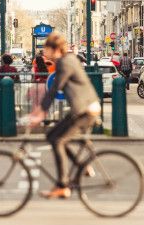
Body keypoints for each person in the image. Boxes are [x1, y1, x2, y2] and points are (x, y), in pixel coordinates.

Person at [28, 33, 101, 200]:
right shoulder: (67, 60)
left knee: (58, 140)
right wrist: (39, 111)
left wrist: (40, 113)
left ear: (54, 49)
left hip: (86, 110)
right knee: (52, 135)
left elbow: (55, 88)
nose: (44, 52)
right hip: (81, 108)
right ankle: (81, 167)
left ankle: (62, 185)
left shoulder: (65, 63)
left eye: (46, 48)